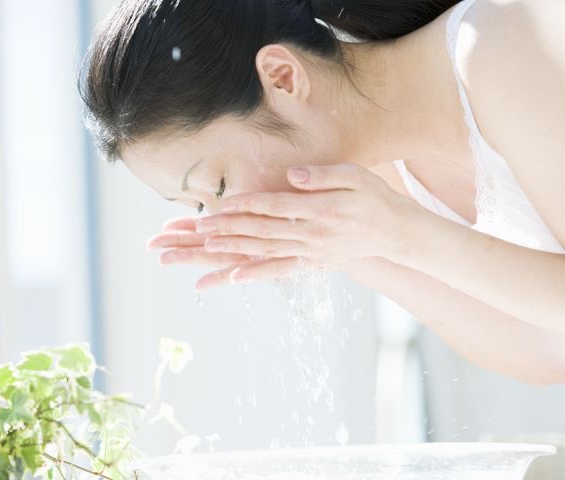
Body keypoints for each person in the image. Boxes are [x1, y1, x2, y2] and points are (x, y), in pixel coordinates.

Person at [79, 0, 565, 386]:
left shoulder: (500, 48)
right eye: (203, 206)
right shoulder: (379, 176)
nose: (229, 217)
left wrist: (407, 235)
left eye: (220, 185)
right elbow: (545, 352)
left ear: (282, 77)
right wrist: (358, 252)